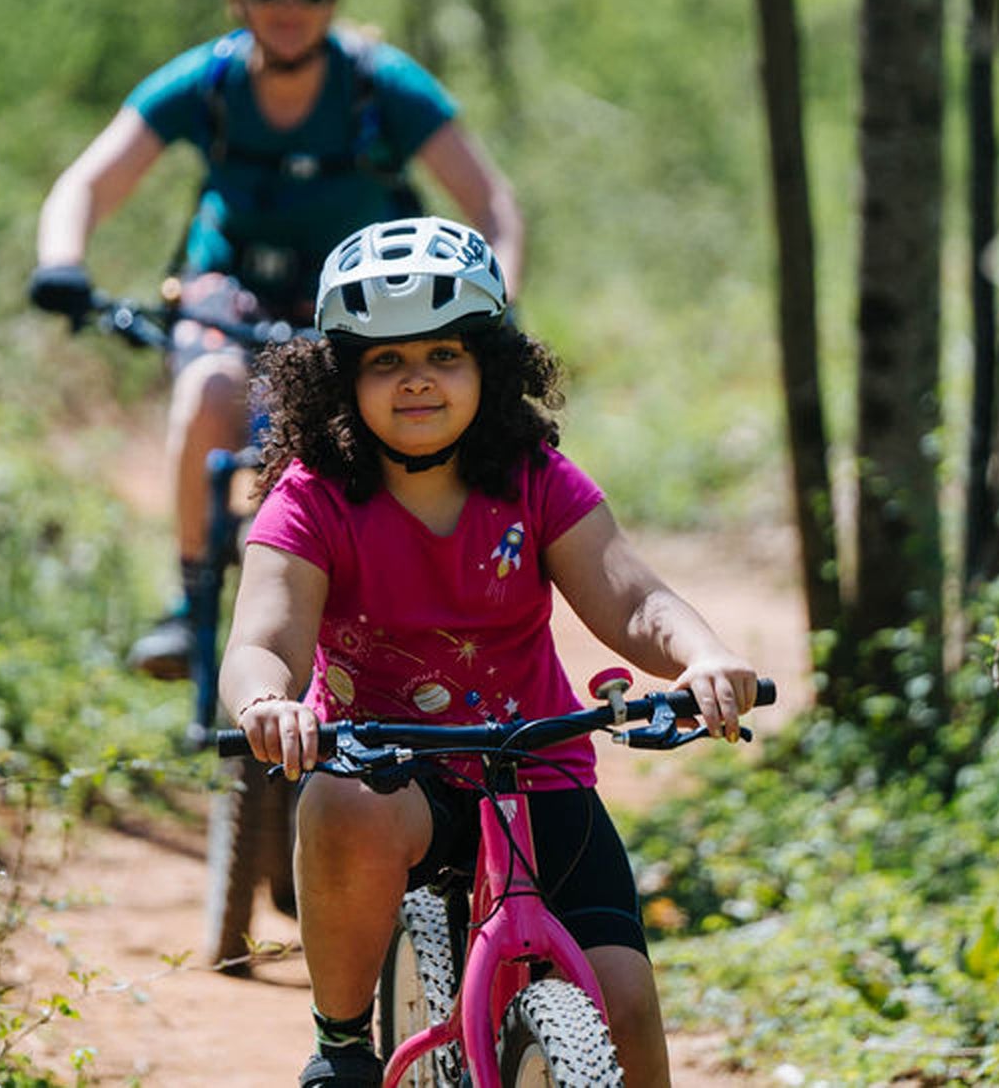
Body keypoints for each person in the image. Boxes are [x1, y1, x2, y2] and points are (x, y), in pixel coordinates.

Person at [220, 216, 760, 1088]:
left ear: (491, 367)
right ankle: (345, 1047)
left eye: (443, 355)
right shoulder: (310, 500)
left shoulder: (537, 478)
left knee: (624, 1006)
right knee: (340, 802)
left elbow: (632, 597)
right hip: (392, 772)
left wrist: (703, 656)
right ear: (340, 381)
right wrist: (265, 703)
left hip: (537, 779)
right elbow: (261, 637)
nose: (417, 381)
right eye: (385, 362)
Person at [29, 0, 525, 678]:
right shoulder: (209, 82)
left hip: (364, 307)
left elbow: (492, 203)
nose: (289, 5)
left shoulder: (382, 86)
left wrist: (496, 302)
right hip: (230, 291)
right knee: (210, 392)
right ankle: (191, 602)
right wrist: (62, 263)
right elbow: (88, 182)